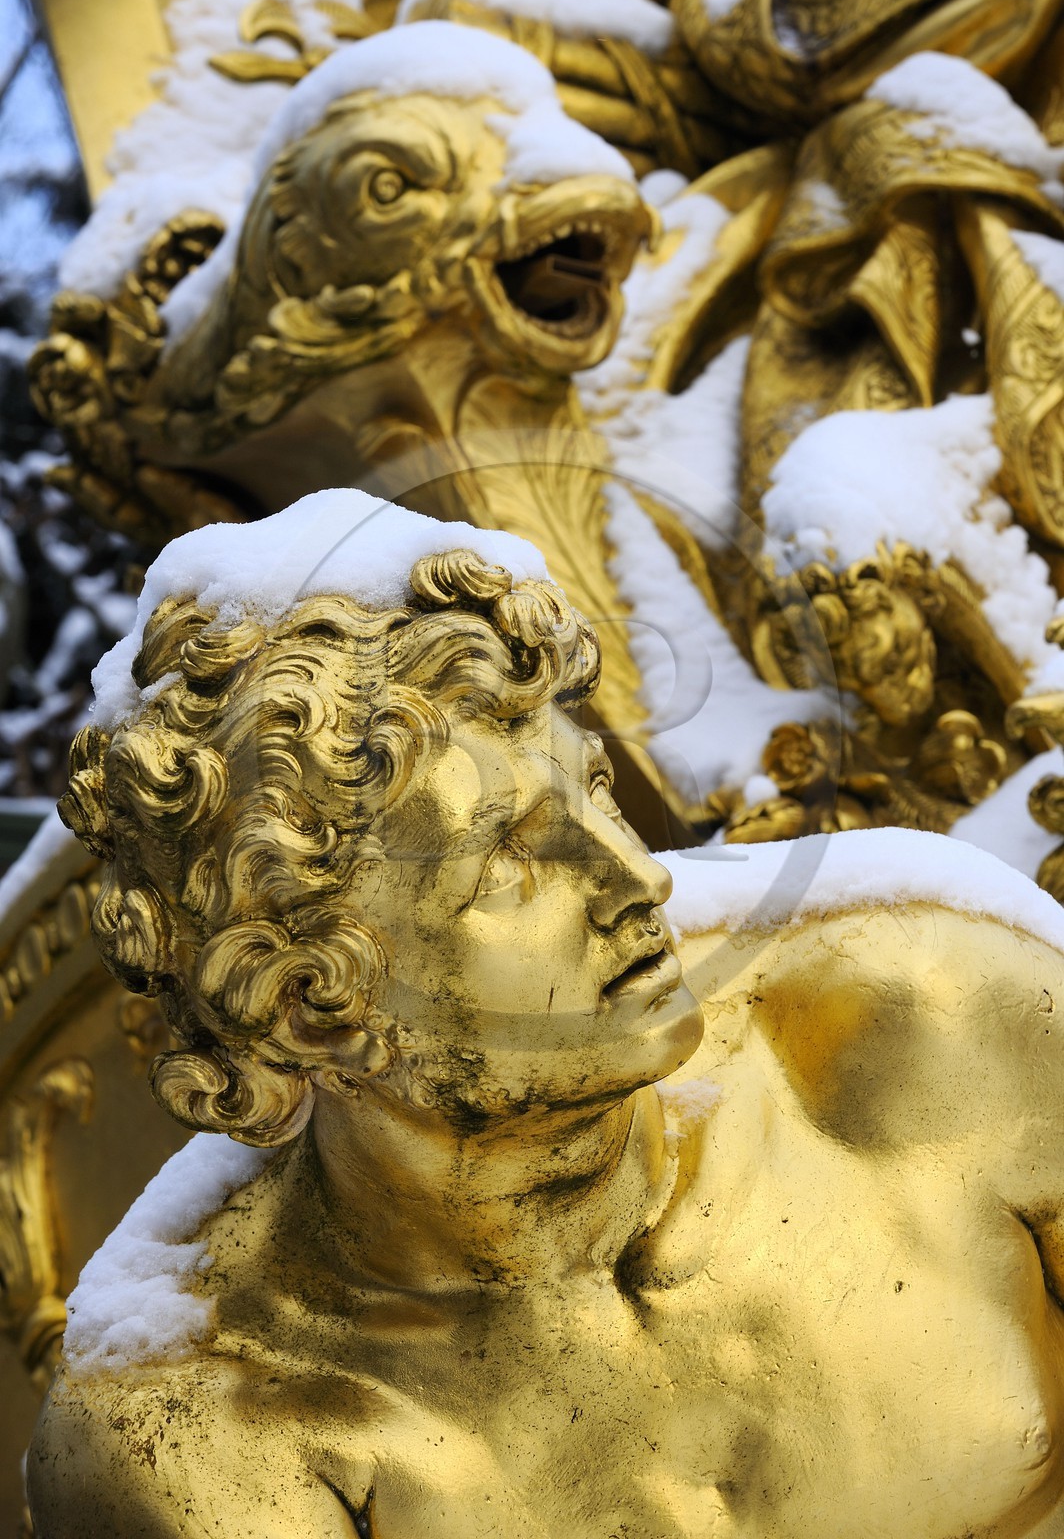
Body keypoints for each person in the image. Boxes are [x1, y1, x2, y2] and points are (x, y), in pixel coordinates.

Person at [27, 491, 1064, 1537]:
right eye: (510, 860)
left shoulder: (925, 1008)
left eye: (598, 792)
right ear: (312, 1008)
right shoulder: (208, 1435)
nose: (635, 878)